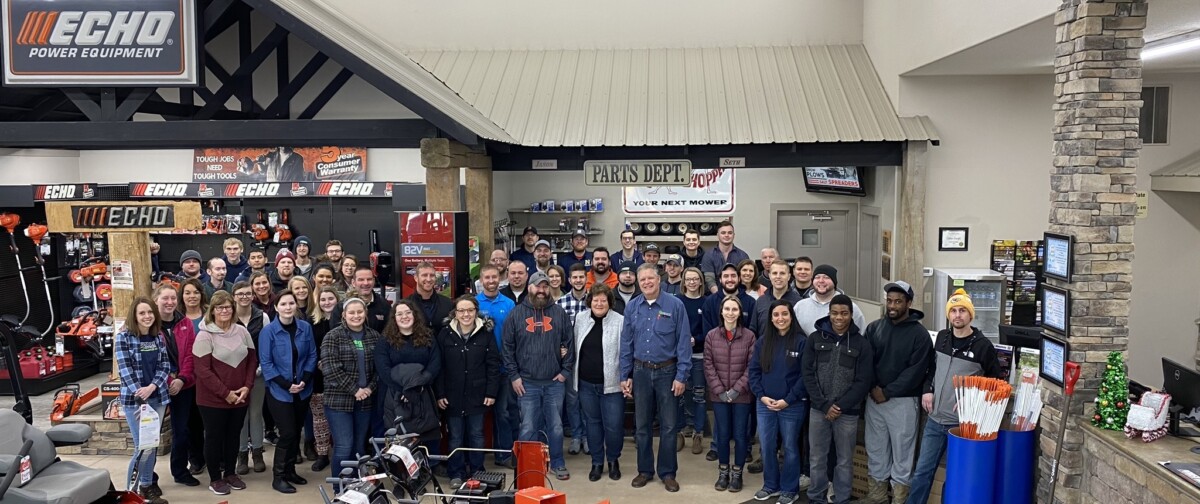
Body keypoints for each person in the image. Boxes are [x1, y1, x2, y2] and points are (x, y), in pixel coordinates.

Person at [907, 290, 1002, 504]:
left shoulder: (982, 346)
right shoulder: (942, 338)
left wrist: (973, 398)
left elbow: (996, 382)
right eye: (953, 311)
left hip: (962, 426)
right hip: (934, 420)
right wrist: (927, 389)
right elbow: (931, 368)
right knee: (922, 473)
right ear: (949, 315)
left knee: (956, 477)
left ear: (970, 315)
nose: (957, 315)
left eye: (962, 311)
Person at [620, 263, 692, 493]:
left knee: (669, 426)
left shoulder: (675, 305)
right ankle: (644, 471)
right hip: (640, 372)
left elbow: (683, 342)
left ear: (658, 279)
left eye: (651, 278)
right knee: (641, 426)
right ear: (638, 283)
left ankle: (668, 472)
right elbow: (626, 343)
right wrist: (625, 374)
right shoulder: (632, 307)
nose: (647, 283)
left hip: (667, 372)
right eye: (643, 280)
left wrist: (682, 376)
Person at [862, 281, 931, 504]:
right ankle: (877, 496)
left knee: (903, 454)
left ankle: (900, 499)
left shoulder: (919, 335)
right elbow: (866, 362)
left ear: (909, 303)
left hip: (903, 402)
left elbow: (916, 371)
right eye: (889, 300)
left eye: (898, 301)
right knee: (876, 449)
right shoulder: (874, 328)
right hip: (874, 400)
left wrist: (888, 392)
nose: (892, 305)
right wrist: (873, 388)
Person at [502, 271, 574, 481]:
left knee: (556, 426)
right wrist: (514, 376)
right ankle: (526, 466)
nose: (541, 291)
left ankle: (557, 462)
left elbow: (569, 344)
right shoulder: (516, 314)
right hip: (527, 383)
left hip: (554, 383)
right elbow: (507, 348)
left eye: (544, 286)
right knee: (528, 426)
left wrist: (565, 372)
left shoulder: (559, 313)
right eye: (537, 286)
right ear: (529, 288)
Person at [803, 295, 874, 504]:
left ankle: (841, 498)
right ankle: (816, 497)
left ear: (851, 315)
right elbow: (807, 374)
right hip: (818, 410)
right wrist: (824, 404)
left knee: (844, 460)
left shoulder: (862, 344)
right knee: (817, 458)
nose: (839, 318)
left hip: (847, 413)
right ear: (829, 314)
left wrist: (840, 406)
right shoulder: (815, 339)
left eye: (844, 313)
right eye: (834, 313)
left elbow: (863, 381)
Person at [193, 291, 257, 495]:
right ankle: (215, 478)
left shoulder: (242, 331)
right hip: (212, 400)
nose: (224, 311)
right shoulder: (204, 335)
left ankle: (230, 473)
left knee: (233, 437)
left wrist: (247, 386)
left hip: (240, 397)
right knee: (214, 437)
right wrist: (225, 393)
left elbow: (252, 361)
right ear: (212, 310)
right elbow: (203, 370)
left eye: (228, 307)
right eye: (220, 307)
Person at [435, 296, 500, 488]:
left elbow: (493, 365)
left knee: (477, 434)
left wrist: (491, 392)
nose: (466, 314)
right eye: (461, 310)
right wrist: (440, 394)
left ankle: (477, 471)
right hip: (452, 395)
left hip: (478, 395)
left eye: (470, 310)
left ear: (476, 311)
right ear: (455, 313)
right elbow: (439, 367)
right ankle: (456, 472)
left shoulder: (486, 333)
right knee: (455, 435)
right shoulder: (445, 334)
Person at [749, 300, 808, 504]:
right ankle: (771, 485)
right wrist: (762, 396)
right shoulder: (763, 342)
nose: (780, 318)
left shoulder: (801, 341)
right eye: (776, 315)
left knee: (790, 447)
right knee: (766, 446)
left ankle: (789, 489)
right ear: (771, 318)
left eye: (784, 314)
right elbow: (754, 373)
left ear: (791, 316)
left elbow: (804, 376)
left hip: (792, 405)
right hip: (765, 404)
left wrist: (787, 400)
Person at [115, 296, 173, 504]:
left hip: (158, 398)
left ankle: (146, 487)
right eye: (142, 313)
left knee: (152, 445)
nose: (147, 316)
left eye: (150, 312)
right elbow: (125, 370)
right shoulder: (124, 337)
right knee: (142, 447)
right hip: (135, 402)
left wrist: (153, 387)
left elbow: (164, 366)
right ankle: (131, 491)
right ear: (135, 316)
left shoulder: (158, 337)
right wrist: (141, 395)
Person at [258, 290, 317, 493]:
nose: (288, 307)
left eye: (291, 303)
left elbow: (312, 355)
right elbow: (266, 363)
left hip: (302, 389)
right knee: (288, 433)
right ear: (276, 307)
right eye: (283, 304)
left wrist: (304, 379)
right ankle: (279, 476)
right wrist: (286, 384)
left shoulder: (305, 328)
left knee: (296, 430)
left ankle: (291, 471)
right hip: (279, 391)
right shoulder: (268, 332)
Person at [321, 297, 381, 477]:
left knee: (359, 446)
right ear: (344, 315)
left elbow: (380, 368)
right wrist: (355, 390)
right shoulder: (333, 336)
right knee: (343, 446)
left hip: (365, 401)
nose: (356, 316)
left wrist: (370, 388)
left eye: (360, 312)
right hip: (339, 402)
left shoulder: (374, 336)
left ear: (366, 313)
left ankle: (356, 484)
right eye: (352, 313)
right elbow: (331, 369)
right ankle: (340, 488)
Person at [377, 300, 443, 454]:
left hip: (423, 393)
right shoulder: (384, 340)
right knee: (399, 436)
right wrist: (405, 391)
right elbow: (383, 370)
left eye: (408, 312)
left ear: (415, 315)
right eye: (399, 314)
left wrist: (416, 387)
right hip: (395, 396)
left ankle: (428, 468)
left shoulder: (428, 337)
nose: (404, 316)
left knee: (427, 435)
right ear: (394, 318)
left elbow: (434, 365)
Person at [574, 284, 625, 482]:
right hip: (586, 384)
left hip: (612, 385)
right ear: (590, 302)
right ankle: (597, 462)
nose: (599, 303)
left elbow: (626, 352)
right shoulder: (580, 319)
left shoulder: (620, 321)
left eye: (603, 300)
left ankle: (613, 460)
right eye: (596, 300)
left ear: (610, 302)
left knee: (613, 426)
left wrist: (625, 378)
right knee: (592, 425)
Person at [705, 296, 756, 493]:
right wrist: (720, 390)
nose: (730, 313)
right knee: (723, 435)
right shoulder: (711, 336)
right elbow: (708, 365)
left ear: (740, 313)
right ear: (721, 311)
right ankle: (723, 472)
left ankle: (737, 473)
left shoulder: (749, 336)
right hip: (719, 396)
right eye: (727, 309)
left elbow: (752, 367)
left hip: (741, 396)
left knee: (741, 436)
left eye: (734, 309)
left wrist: (736, 390)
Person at [153, 284, 200, 488]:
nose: (170, 302)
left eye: (173, 298)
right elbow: (149, 360)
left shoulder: (185, 323)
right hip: (156, 388)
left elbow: (190, 354)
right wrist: (168, 380)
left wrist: (182, 379)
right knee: (150, 435)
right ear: (156, 300)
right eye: (165, 298)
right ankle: (148, 478)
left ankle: (180, 471)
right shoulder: (149, 324)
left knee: (181, 431)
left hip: (184, 386)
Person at [476, 265, 519, 468]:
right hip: (478, 369)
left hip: (502, 369)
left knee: (503, 412)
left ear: (499, 279)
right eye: (487, 277)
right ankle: (476, 458)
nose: (491, 280)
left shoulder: (509, 303)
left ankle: (504, 455)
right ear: (481, 280)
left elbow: (513, 336)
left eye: (494, 277)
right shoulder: (474, 303)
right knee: (477, 415)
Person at [231, 280, 271, 475]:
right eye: (240, 294)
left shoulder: (261, 317)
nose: (244, 297)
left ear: (253, 295)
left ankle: (257, 453)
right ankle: (241, 454)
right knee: (240, 415)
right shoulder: (228, 316)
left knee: (256, 414)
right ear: (234, 296)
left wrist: (263, 367)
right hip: (235, 375)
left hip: (257, 373)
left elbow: (267, 344)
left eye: (248, 293)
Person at [557, 263, 590, 454]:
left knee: (586, 400)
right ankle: (576, 436)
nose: (578, 280)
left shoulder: (594, 301)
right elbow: (557, 332)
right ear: (569, 280)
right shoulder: (561, 303)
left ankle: (587, 436)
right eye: (574, 277)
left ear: (586, 279)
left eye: (581, 277)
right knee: (572, 400)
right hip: (569, 361)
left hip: (588, 360)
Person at [308, 286, 340, 472]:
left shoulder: (344, 320)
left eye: (330, 298)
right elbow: (308, 348)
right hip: (318, 377)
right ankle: (322, 454)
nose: (327, 302)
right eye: (323, 299)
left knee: (339, 418)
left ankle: (339, 451)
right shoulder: (311, 323)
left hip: (340, 378)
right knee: (319, 418)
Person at [676, 266, 707, 454]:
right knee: (679, 395)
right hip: (679, 357)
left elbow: (711, 329)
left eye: (696, 279)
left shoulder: (707, 302)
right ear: (684, 281)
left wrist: (697, 339)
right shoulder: (676, 302)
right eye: (689, 279)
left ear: (701, 281)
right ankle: (679, 432)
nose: (692, 282)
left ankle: (698, 434)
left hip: (698, 355)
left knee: (699, 396)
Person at [793, 265, 865, 336]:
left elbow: (861, 335)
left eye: (826, 277)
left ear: (834, 282)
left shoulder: (850, 307)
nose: (821, 281)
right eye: (817, 277)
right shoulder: (800, 307)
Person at [330, 267, 390, 332]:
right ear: (353, 282)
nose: (366, 283)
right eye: (361, 280)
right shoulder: (341, 307)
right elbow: (335, 334)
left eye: (369, 279)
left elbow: (389, 333)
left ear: (374, 281)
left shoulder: (384, 305)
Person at [751, 260, 802, 336]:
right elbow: (753, 330)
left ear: (788, 277)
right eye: (775, 273)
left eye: (782, 273)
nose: (778, 277)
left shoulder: (799, 302)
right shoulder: (760, 301)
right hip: (765, 347)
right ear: (770, 276)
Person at [703, 263, 755, 336]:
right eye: (726, 276)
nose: (730, 279)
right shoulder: (710, 302)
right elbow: (707, 332)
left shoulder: (751, 302)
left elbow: (752, 331)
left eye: (733, 276)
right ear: (720, 279)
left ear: (739, 278)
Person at [700, 221, 750, 294]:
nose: (727, 235)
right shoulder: (708, 255)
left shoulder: (743, 256)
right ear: (717, 235)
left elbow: (745, 280)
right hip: (715, 297)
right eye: (723, 233)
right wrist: (720, 296)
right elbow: (709, 279)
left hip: (738, 297)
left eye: (730, 233)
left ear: (734, 235)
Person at [407, 261, 455, 336]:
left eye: (432, 275)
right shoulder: (406, 304)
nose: (429, 279)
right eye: (424, 275)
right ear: (416, 278)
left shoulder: (448, 303)